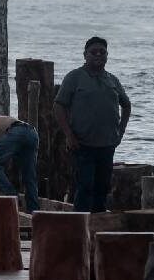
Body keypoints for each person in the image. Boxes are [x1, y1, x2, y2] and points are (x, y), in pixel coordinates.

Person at [54, 37, 131, 212]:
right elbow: (58, 106)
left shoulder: (112, 80)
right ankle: (80, 222)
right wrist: (69, 135)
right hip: (82, 144)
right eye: (93, 52)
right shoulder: (74, 77)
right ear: (85, 55)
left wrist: (121, 132)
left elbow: (126, 105)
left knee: (103, 186)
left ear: (107, 55)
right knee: (85, 186)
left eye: (102, 52)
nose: (98, 55)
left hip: (107, 143)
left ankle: (99, 221)